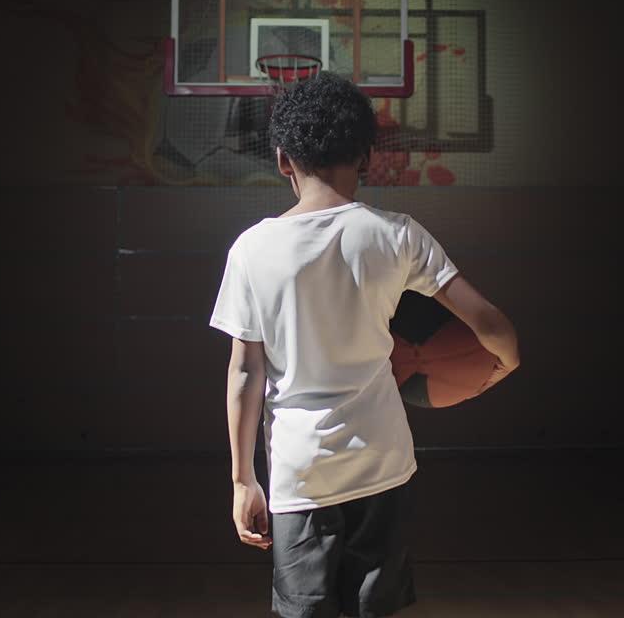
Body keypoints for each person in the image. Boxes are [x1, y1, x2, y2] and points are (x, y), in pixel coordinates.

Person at [210, 72, 520, 618]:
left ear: (283, 160)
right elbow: (489, 321)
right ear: (367, 157)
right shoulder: (399, 234)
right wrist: (508, 363)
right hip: (384, 461)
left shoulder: (252, 249)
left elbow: (244, 374)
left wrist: (242, 481)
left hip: (300, 471)